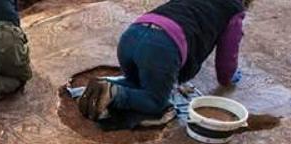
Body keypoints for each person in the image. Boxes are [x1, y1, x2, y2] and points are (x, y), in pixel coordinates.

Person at [78, 0, 251, 127]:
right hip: (161, 47)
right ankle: (113, 94)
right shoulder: (233, 9)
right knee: (157, 101)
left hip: (132, 34)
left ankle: (104, 86)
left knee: (138, 84)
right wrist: (228, 77)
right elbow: (227, 57)